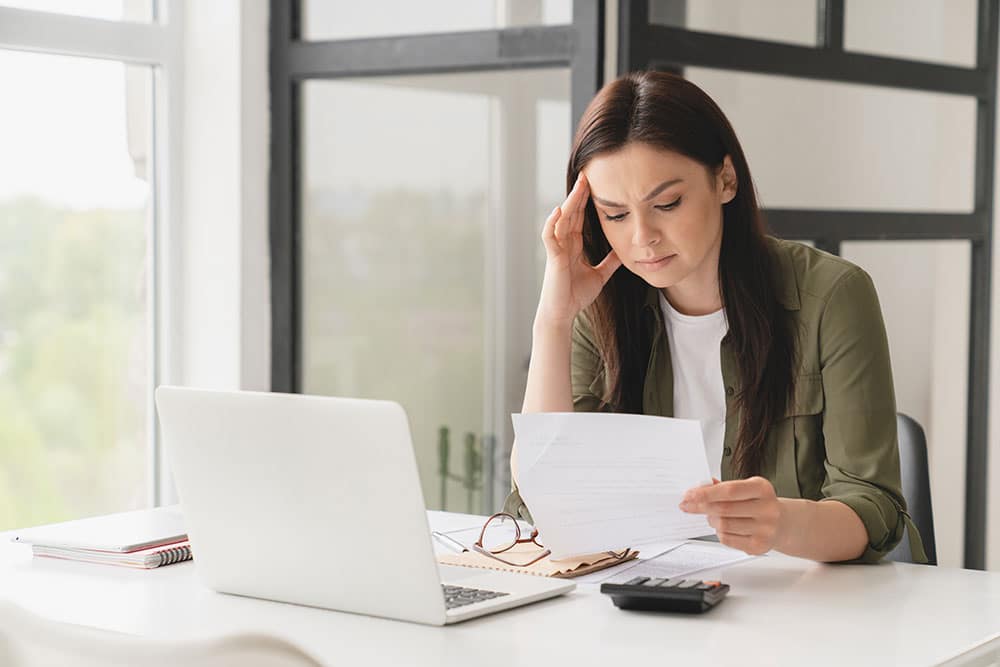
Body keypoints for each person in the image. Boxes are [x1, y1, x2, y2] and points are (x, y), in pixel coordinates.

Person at [502, 70, 926, 564]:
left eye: (667, 203)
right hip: (657, 600)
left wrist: (780, 522)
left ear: (725, 179)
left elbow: (875, 508)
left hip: (812, 604)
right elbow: (541, 498)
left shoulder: (832, 296)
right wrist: (553, 320)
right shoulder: (598, 306)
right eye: (615, 214)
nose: (643, 237)